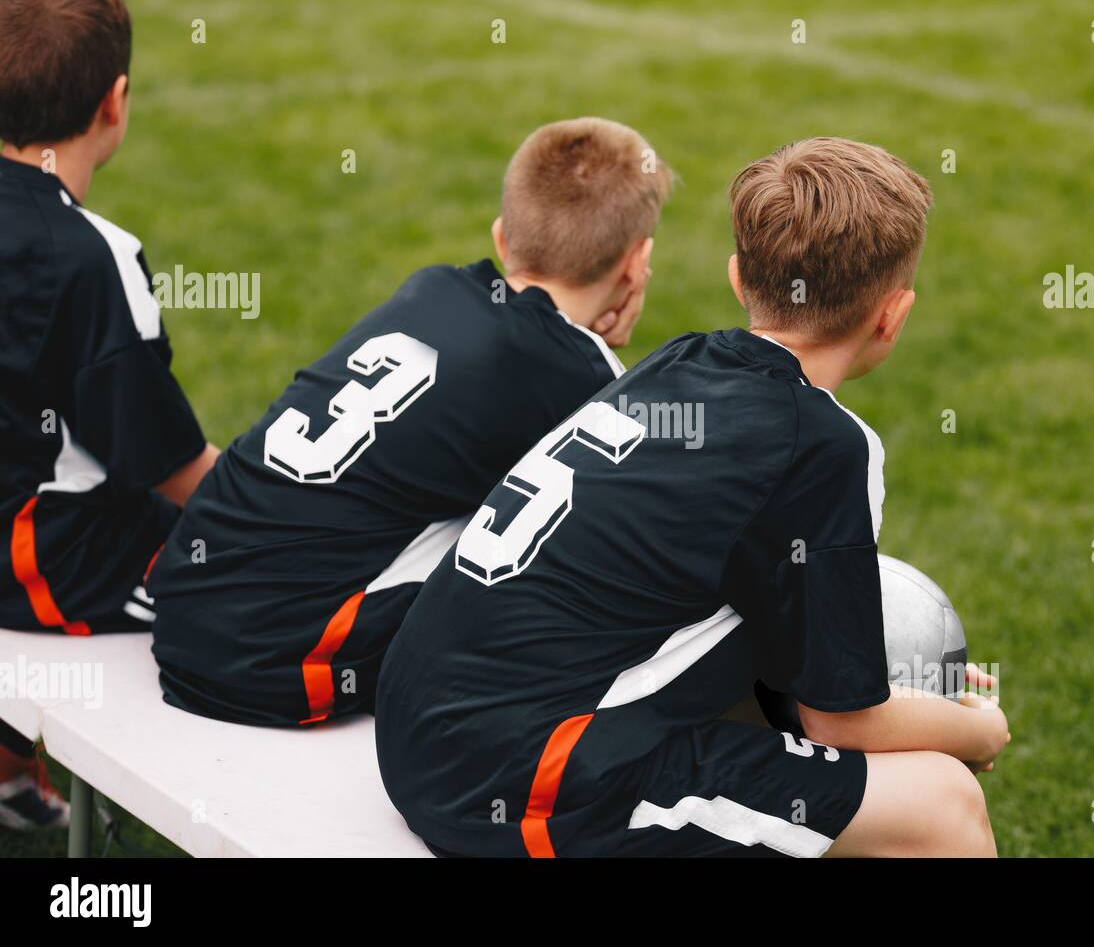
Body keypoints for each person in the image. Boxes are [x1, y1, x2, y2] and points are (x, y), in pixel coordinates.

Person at [376, 138, 1011, 858]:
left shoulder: (679, 360)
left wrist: (912, 695)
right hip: (517, 779)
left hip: (421, 726)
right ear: (893, 315)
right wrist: (975, 729)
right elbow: (840, 723)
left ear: (739, 277)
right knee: (944, 804)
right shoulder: (827, 445)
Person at [149, 118, 672, 727]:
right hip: (271, 666)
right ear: (637, 264)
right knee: (552, 559)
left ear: (503, 239)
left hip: (185, 601)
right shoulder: (580, 379)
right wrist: (601, 362)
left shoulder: (432, 290)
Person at [0, 0, 219, 829]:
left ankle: (13, 778)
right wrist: (280, 520)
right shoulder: (97, 257)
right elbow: (163, 463)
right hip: (43, 564)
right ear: (114, 103)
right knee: (258, 591)